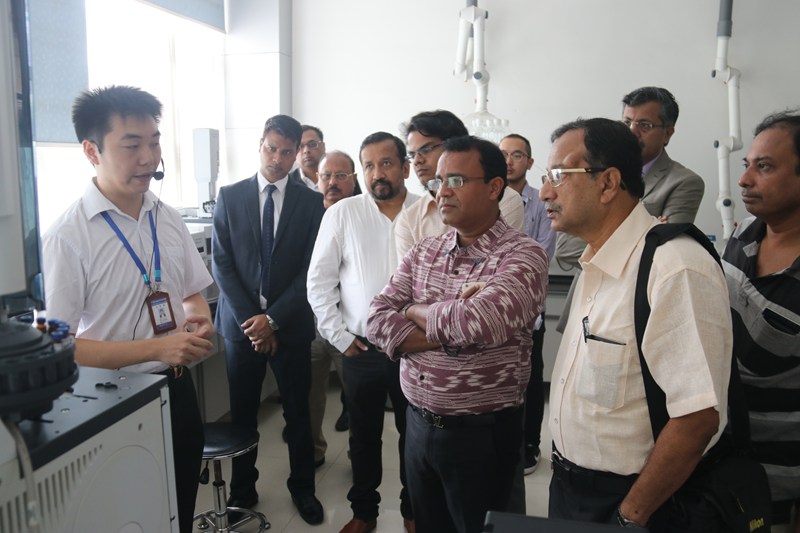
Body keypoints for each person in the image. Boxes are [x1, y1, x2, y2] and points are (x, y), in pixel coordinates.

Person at [542, 117, 732, 530]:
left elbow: (698, 418)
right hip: (571, 487)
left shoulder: (674, 268)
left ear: (608, 183)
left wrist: (631, 516)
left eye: (559, 175)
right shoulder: (595, 264)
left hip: (639, 500)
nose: (545, 193)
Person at [42, 85, 214, 533]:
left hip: (176, 386)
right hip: (112, 398)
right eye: (132, 145)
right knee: (134, 515)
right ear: (91, 151)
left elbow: (191, 291)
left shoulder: (166, 216)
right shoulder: (68, 236)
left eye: (154, 142)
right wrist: (156, 349)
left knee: (180, 503)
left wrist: (199, 317)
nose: (149, 158)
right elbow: (62, 348)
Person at [368, 135, 549, 533]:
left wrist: (412, 311)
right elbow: (377, 320)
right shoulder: (424, 251)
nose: (442, 192)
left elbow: (478, 321)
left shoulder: (523, 256)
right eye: (439, 181)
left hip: (483, 437)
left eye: (456, 181)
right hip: (417, 427)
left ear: (494, 187)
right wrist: (453, 322)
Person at [211, 114, 325, 525]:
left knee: (298, 413)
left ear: (298, 154)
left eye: (287, 152)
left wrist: (272, 319)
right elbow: (222, 263)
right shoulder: (230, 196)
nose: (277, 159)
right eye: (271, 148)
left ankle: (303, 488)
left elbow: (311, 269)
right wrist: (254, 321)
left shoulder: (310, 203)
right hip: (241, 329)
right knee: (243, 414)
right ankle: (243, 491)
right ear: (260, 144)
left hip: (290, 325)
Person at [307, 132, 419, 533]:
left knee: (415, 436)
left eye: (386, 163)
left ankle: (413, 511)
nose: (377, 173)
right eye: (369, 165)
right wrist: (339, 337)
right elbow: (319, 282)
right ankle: (364, 513)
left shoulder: (428, 212)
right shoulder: (343, 213)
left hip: (416, 350)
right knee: (363, 437)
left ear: (405, 168)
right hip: (362, 349)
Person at [554, 87, 705, 330]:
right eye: (626, 122)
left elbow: (657, 255)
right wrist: (639, 232)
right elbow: (565, 249)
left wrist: (598, 233)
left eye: (644, 125)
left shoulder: (684, 182)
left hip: (634, 310)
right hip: (586, 302)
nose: (632, 131)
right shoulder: (596, 173)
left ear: (668, 133)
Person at [723, 110, 800, 532]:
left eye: (764, 167)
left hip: (785, 481)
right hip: (728, 464)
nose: (744, 180)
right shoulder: (744, 234)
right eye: (746, 164)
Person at [394, 110, 525, 261]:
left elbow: (497, 264)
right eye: (412, 155)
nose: (417, 161)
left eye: (426, 150)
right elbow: (409, 275)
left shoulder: (504, 199)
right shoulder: (409, 220)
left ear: (457, 146)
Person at [499, 133, 556, 475]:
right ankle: (504, 444)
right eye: (503, 154)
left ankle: (530, 444)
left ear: (530, 162)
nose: (509, 161)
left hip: (529, 306)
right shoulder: (488, 198)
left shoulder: (543, 201)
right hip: (492, 307)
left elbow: (541, 255)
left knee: (531, 378)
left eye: (517, 155)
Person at [307, 150, 360, 467]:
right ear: (317, 179)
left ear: (354, 179)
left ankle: (359, 457)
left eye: (341, 175)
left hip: (351, 327)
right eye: (326, 175)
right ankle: (313, 452)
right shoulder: (305, 213)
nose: (333, 182)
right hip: (310, 325)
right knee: (309, 397)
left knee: (358, 399)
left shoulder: (364, 214)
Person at [288, 124, 326, 190]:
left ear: (323, 147)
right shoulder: (287, 184)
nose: (306, 150)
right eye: (300, 146)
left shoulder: (338, 177)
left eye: (312, 144)